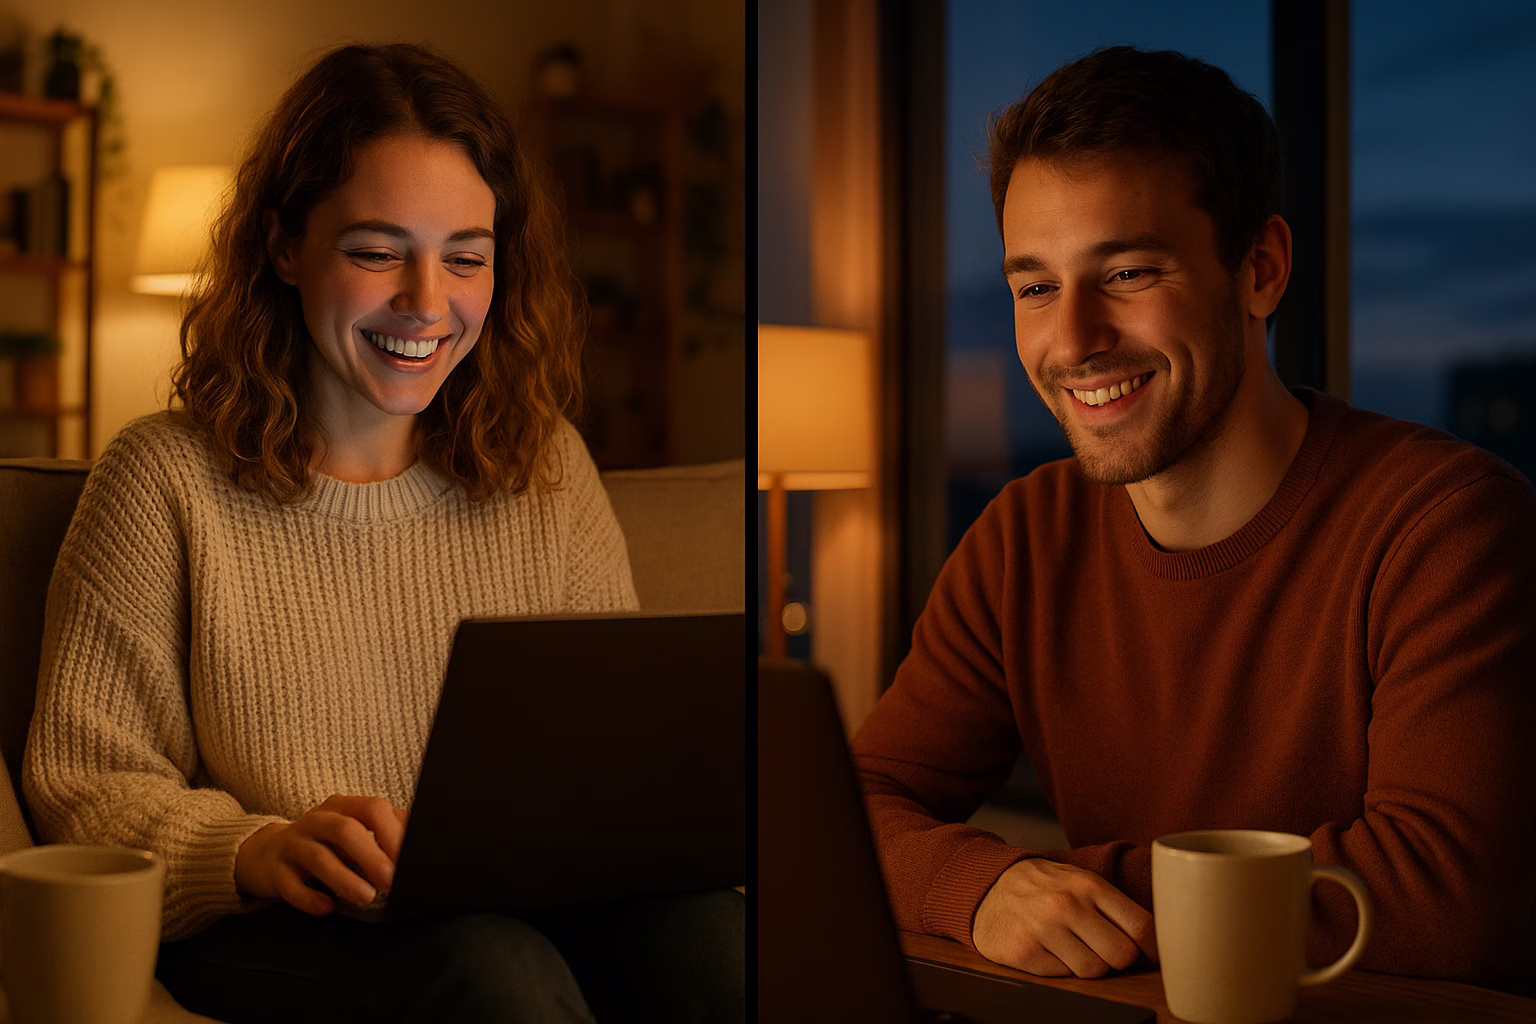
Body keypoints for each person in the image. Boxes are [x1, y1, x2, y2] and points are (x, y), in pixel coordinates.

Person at [22, 42, 743, 1023]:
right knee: (495, 970)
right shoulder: (161, 479)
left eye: (466, 258)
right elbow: (89, 785)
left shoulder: (546, 464)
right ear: (284, 247)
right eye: (375, 252)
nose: (427, 303)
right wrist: (256, 846)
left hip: (518, 901)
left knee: (719, 937)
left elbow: (613, 756)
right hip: (275, 917)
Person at [852, 46, 1536, 993]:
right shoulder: (1023, 539)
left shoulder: (1446, 526)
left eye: (1128, 273)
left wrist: (1065, 891)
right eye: (1036, 287)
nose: (1072, 341)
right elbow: (852, 807)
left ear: (1261, 269)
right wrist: (979, 887)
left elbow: (1444, 902)